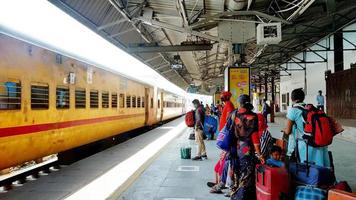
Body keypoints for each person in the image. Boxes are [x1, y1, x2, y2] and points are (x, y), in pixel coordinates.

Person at [283, 89, 330, 167]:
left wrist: (284, 129)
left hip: (305, 144)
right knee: (320, 167)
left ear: (292, 99)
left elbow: (287, 131)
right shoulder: (311, 108)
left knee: (307, 169)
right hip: (317, 141)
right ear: (303, 98)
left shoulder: (293, 110)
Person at [230, 94, 261, 200]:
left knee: (237, 169)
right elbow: (254, 136)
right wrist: (259, 153)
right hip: (247, 147)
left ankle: (235, 193)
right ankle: (243, 196)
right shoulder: (253, 116)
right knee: (247, 173)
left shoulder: (234, 114)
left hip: (235, 146)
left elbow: (229, 132)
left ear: (239, 103)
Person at [208, 91, 235, 193]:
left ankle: (222, 183)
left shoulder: (229, 106)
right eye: (222, 96)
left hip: (227, 137)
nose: (222, 97)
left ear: (227, 97)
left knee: (224, 160)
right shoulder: (227, 105)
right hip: (224, 136)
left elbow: (229, 122)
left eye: (223, 96)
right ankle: (218, 181)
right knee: (222, 159)